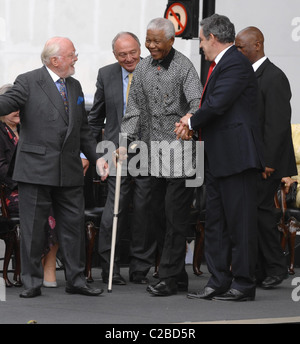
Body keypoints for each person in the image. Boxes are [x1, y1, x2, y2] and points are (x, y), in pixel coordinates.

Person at [0, 37, 103, 298]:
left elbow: (82, 129)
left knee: (73, 227)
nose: (76, 58)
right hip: (35, 169)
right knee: (33, 229)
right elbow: (6, 103)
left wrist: (97, 157)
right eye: (72, 54)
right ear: (55, 60)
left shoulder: (75, 86)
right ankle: (32, 282)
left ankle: (76, 280)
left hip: (68, 170)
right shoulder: (28, 80)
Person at [176, 14, 264, 301]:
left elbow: (218, 104)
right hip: (216, 158)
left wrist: (189, 122)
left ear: (213, 38)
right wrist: (193, 121)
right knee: (215, 222)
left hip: (237, 158)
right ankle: (218, 281)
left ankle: (243, 283)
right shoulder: (223, 64)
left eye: (201, 40)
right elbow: (213, 107)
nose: (200, 46)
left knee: (240, 224)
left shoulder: (235, 63)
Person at [120, 18, 202, 296]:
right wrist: (124, 141)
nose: (151, 46)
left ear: (171, 41)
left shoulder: (184, 67)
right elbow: (133, 110)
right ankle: (178, 276)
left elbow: (197, 102)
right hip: (151, 153)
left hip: (179, 154)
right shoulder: (142, 68)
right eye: (148, 40)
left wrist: (190, 118)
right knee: (157, 217)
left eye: (156, 41)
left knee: (175, 217)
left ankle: (167, 277)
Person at [88, 32, 156, 285]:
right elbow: (96, 118)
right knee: (112, 210)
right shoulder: (106, 74)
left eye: (133, 52)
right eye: (122, 54)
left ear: (141, 49)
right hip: (115, 150)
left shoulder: (156, 70)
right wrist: (91, 154)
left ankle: (140, 268)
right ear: (114, 55)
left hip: (148, 150)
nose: (129, 58)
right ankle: (110, 269)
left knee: (144, 210)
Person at [235, 27, 297, 288]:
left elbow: (278, 125)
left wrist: (268, 163)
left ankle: (275, 267)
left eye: (240, 47)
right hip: (251, 160)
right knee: (254, 214)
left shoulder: (274, 77)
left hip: (267, 164)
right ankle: (262, 268)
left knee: (262, 214)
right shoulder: (248, 74)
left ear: (257, 45)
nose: (237, 51)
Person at [0, 83, 59, 288]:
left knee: (59, 203)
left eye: (20, 106)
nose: (17, 110)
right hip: (11, 192)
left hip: (37, 184)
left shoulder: (28, 129)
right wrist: (28, 178)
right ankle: (39, 266)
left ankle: (48, 266)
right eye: (12, 106)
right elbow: (2, 169)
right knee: (43, 206)